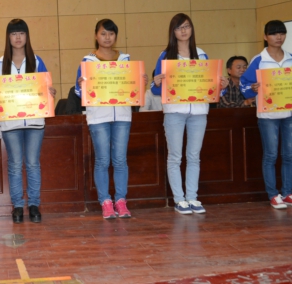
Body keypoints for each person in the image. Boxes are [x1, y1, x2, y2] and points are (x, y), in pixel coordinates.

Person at [151, 13, 228, 215]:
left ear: (192, 29)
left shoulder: (202, 55)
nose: (183, 31)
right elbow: (155, 89)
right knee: (175, 157)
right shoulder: (165, 55)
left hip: (199, 112)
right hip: (174, 112)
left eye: (186, 26)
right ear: (173, 32)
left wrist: (222, 85)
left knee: (194, 156)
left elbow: (213, 87)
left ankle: (192, 197)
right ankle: (179, 199)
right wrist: (156, 82)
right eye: (179, 27)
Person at [0, 19, 56, 224]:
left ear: (27, 36)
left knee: (33, 163)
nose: (18, 37)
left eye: (21, 33)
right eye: (14, 33)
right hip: (10, 123)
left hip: (35, 122)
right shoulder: (1, 63)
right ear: (8, 37)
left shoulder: (37, 61)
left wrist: (50, 92)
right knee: (15, 164)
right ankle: (17, 205)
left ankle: (34, 204)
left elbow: (46, 89)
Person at [75, 19, 147, 219]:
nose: (107, 38)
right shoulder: (88, 62)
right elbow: (78, 92)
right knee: (102, 160)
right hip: (98, 116)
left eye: (111, 34)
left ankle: (121, 201)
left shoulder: (125, 59)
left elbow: (133, 87)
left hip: (122, 115)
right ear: (96, 36)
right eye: (103, 33)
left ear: (116, 36)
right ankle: (105, 202)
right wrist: (80, 85)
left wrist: (141, 82)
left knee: (120, 160)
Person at [241, 20, 292, 209]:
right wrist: (253, 88)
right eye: (274, 33)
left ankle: (287, 193)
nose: (279, 37)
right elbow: (245, 85)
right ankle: (273, 194)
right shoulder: (258, 60)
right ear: (265, 36)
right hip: (268, 115)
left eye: (282, 33)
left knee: (289, 155)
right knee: (271, 155)